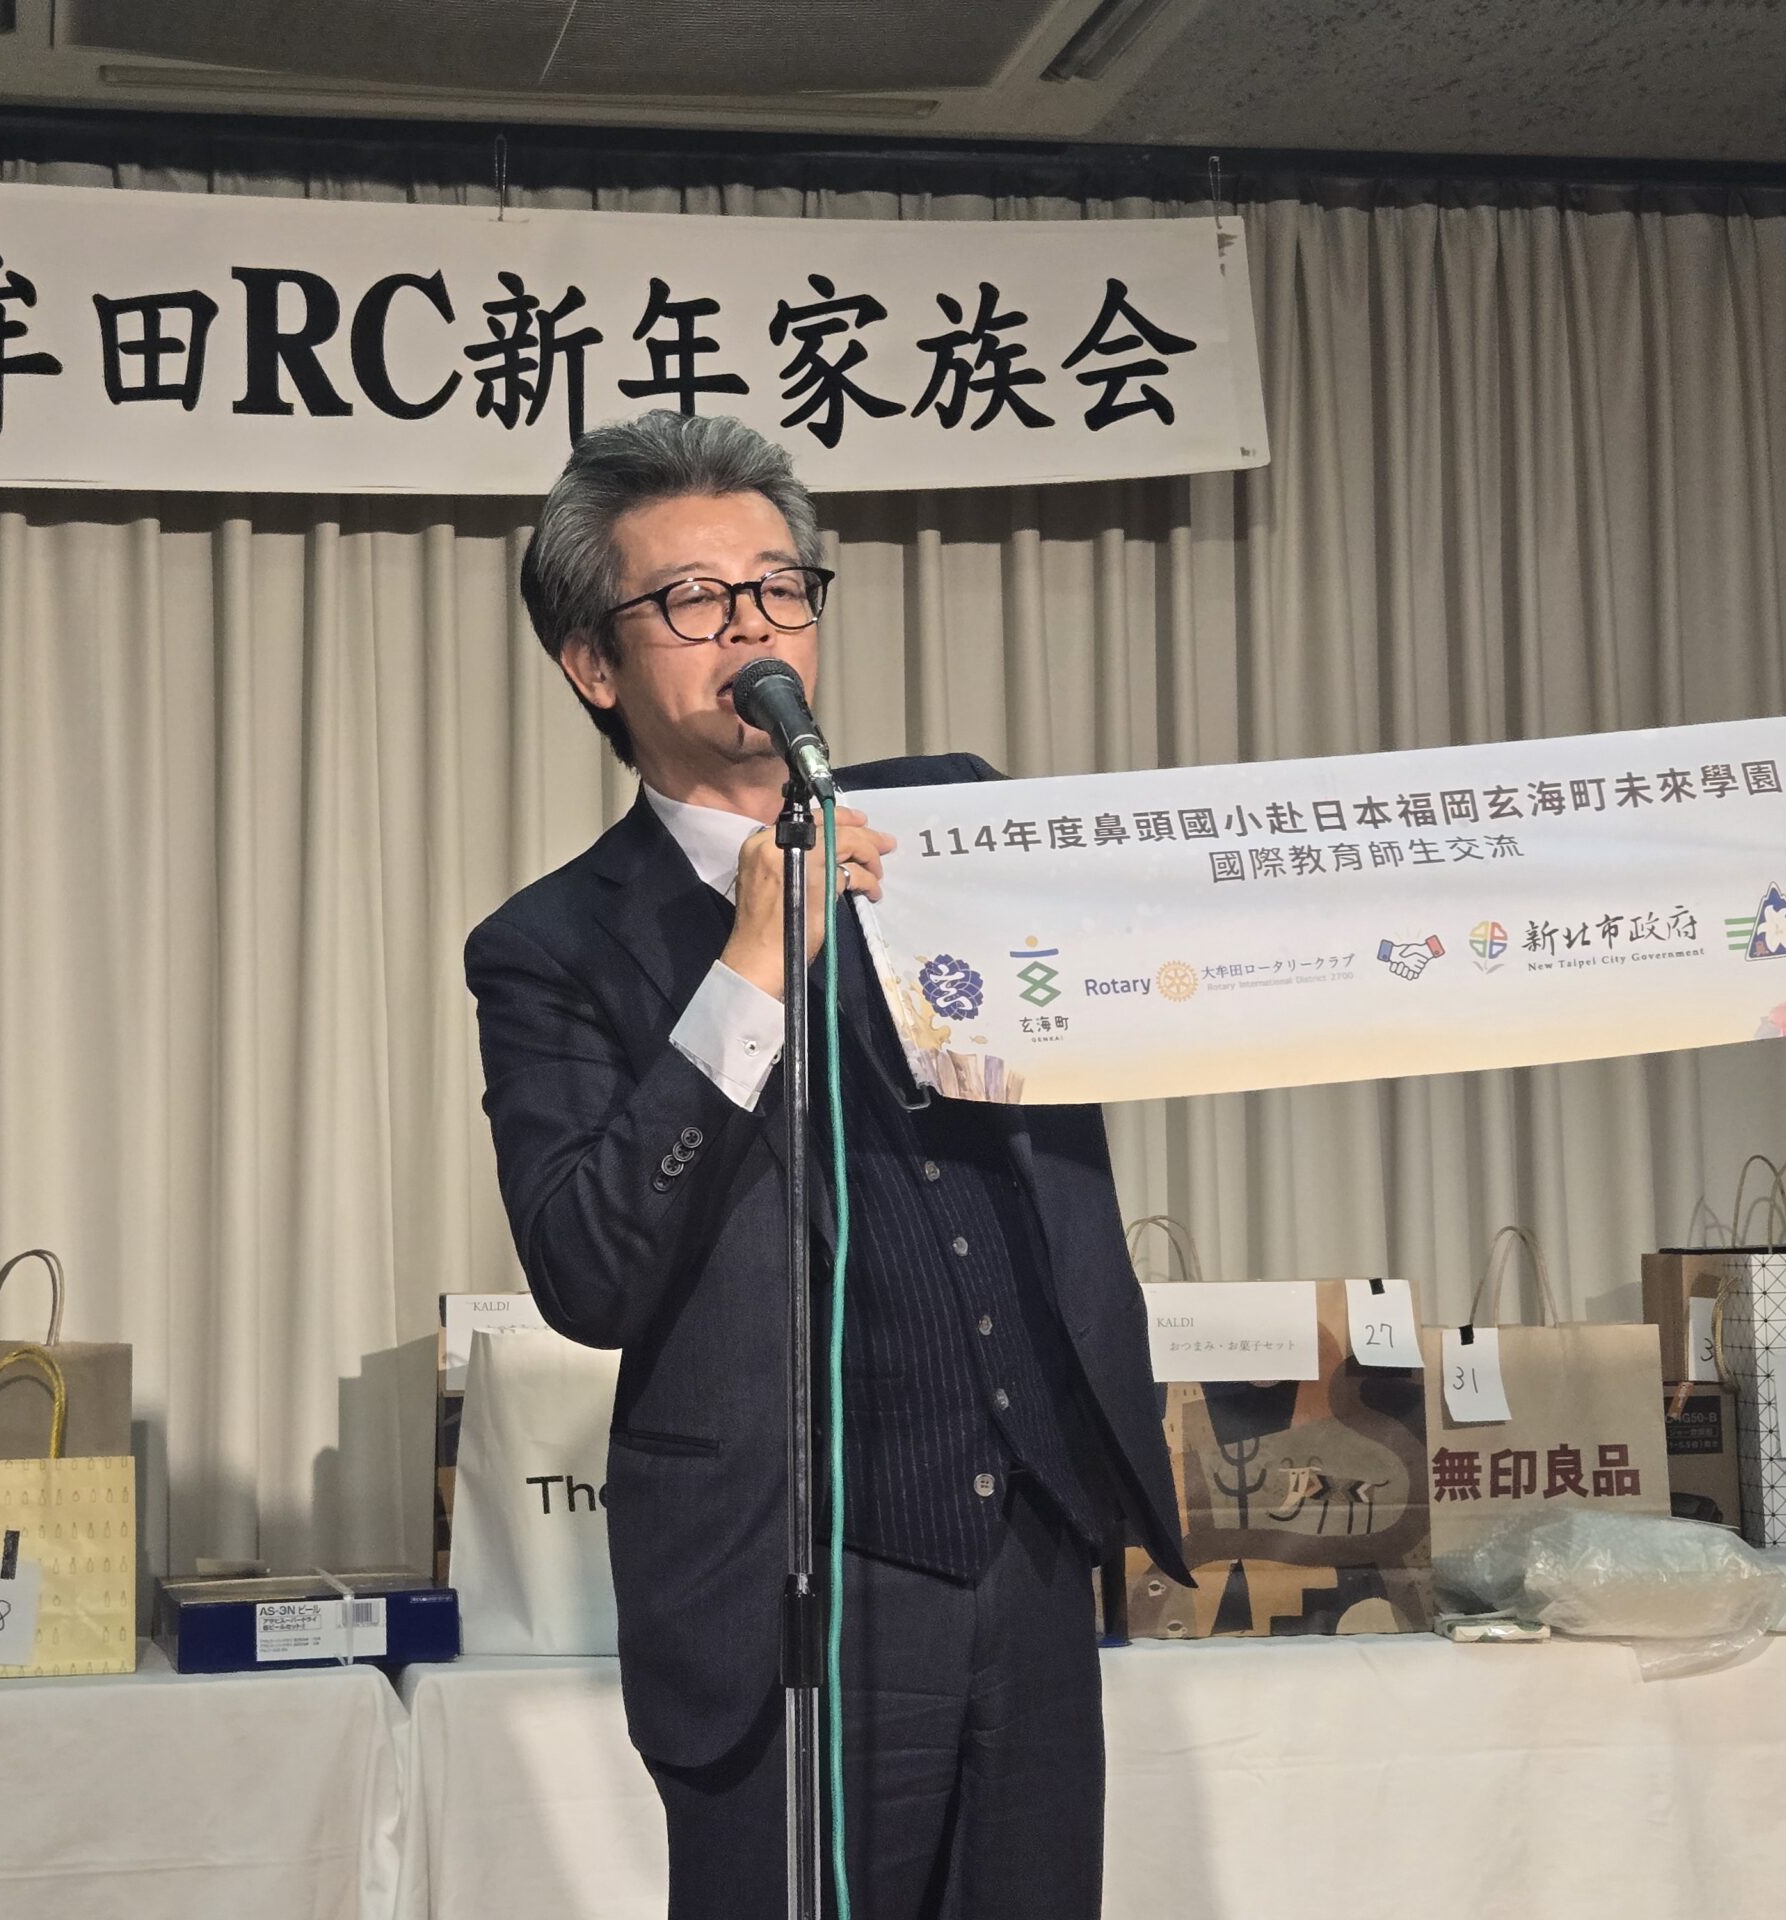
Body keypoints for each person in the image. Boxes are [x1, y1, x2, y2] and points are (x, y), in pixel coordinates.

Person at [466, 409, 1186, 1920]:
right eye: (693, 599)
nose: (752, 626)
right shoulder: (553, 945)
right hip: (790, 1581)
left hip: (1030, 1538)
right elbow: (589, 1272)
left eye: (778, 587)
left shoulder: (953, 825)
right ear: (595, 665)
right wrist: (749, 964)